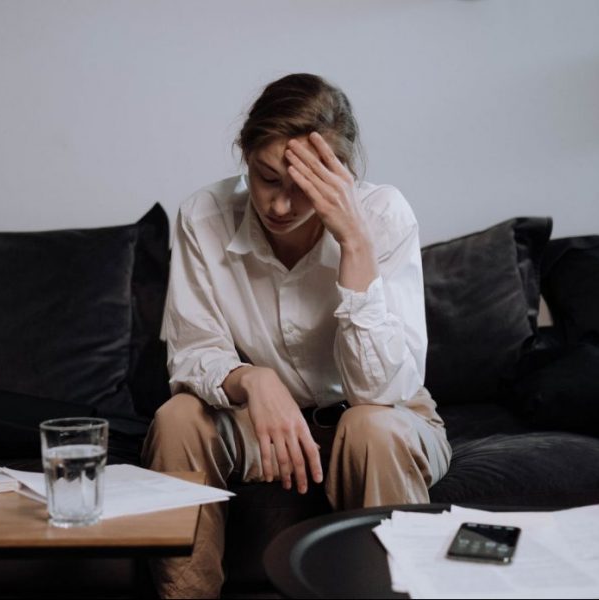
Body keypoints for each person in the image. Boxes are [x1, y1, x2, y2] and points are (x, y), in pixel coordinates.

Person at [141, 73, 452, 599]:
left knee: (370, 427)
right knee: (177, 419)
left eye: (303, 189)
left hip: (383, 419)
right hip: (264, 429)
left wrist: (354, 242)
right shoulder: (204, 215)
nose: (280, 207)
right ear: (244, 153)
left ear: (341, 176)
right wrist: (253, 381)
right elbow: (194, 352)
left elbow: (381, 392)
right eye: (267, 178)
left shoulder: (382, 215)